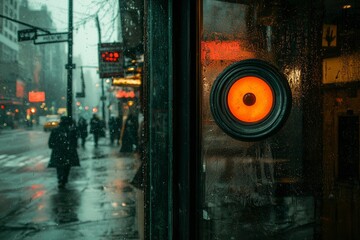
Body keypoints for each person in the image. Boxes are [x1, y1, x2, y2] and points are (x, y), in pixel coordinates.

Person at [48, 116, 80, 189]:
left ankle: (60, 178)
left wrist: (54, 146)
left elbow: (51, 142)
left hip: (58, 151)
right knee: (67, 166)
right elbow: (75, 140)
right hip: (68, 151)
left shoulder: (56, 130)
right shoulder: (70, 130)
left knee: (59, 166)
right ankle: (64, 179)